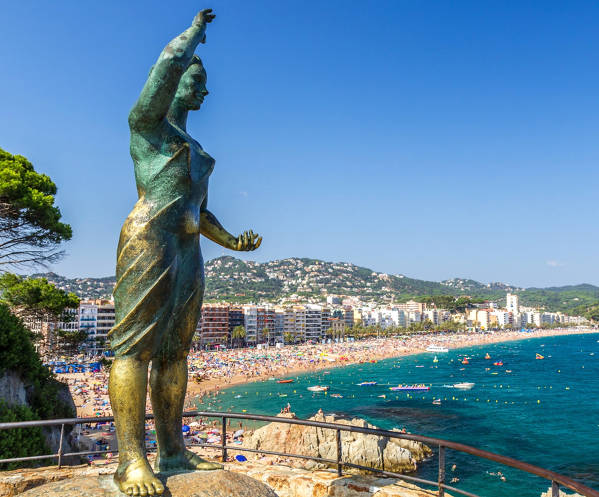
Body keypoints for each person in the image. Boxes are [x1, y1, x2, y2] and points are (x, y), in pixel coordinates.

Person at [107, 9, 261, 496]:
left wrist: (233, 242)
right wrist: (194, 35)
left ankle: (171, 450)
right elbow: (170, 60)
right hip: (149, 238)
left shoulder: (195, 148)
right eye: (197, 79)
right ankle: (131, 461)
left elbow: (199, 211)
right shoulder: (148, 127)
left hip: (188, 249)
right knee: (135, 348)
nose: (205, 90)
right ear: (173, 84)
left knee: (175, 354)